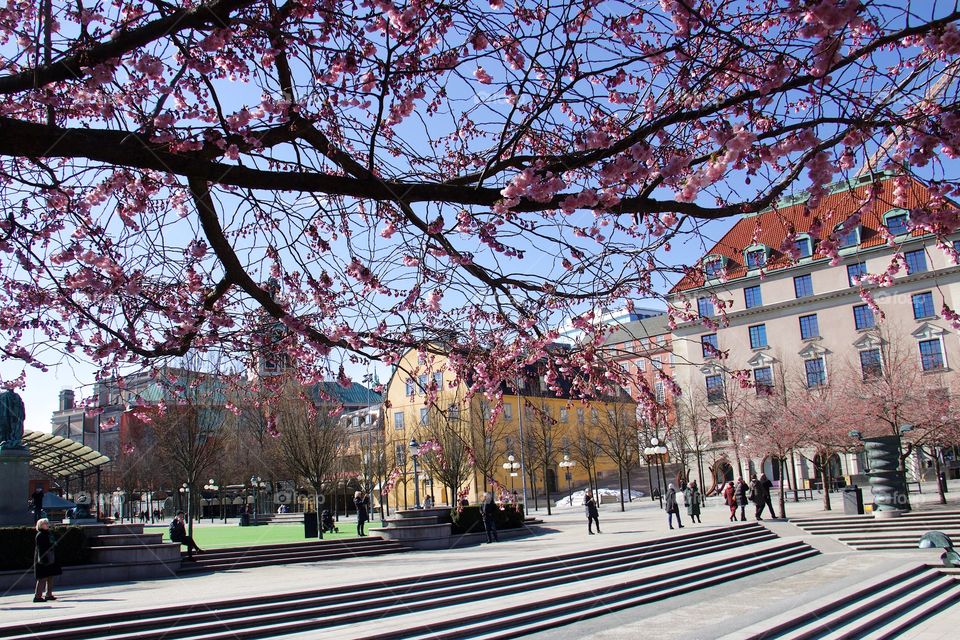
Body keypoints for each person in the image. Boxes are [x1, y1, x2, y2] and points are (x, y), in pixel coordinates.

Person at [33, 518, 60, 603]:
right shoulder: (40, 535)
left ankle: (49, 594)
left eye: (47, 523)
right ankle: (38, 596)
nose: (47, 525)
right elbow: (41, 549)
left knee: (50, 577)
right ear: (40, 525)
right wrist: (43, 559)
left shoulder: (48, 534)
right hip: (43, 559)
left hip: (50, 558)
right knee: (42, 578)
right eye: (45, 523)